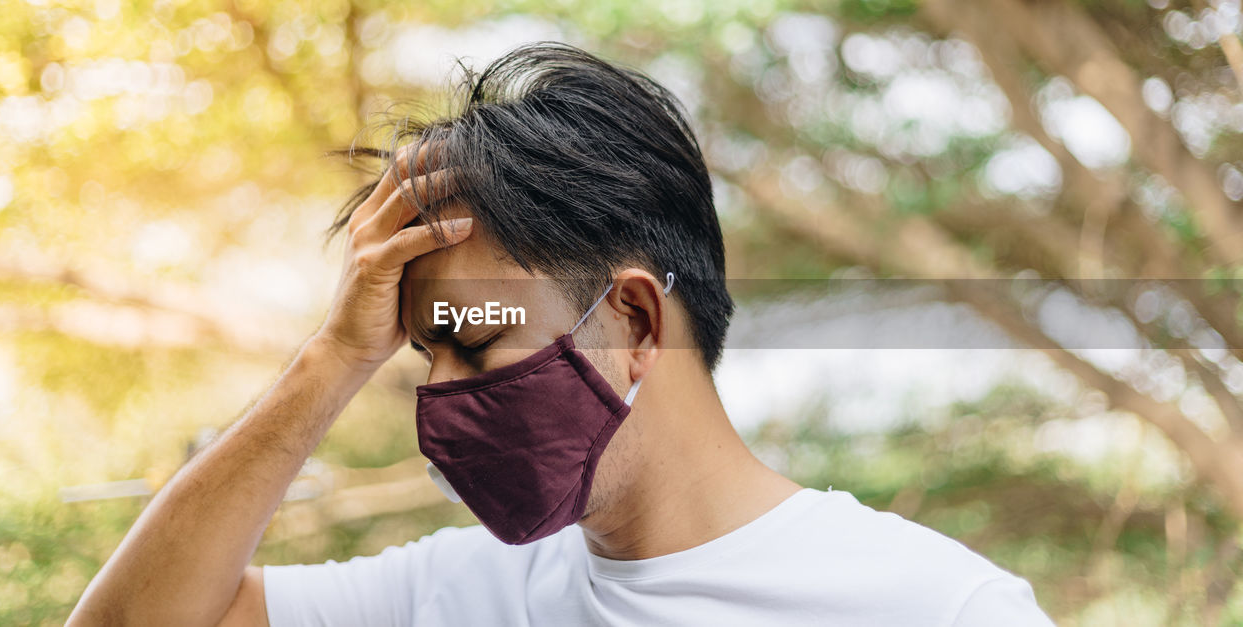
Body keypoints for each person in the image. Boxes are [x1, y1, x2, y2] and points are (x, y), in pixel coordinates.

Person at [68, 42, 1054, 626]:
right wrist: (332, 357)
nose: (440, 396)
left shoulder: (934, 608)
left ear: (631, 320)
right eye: (422, 354)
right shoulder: (457, 591)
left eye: (473, 340)